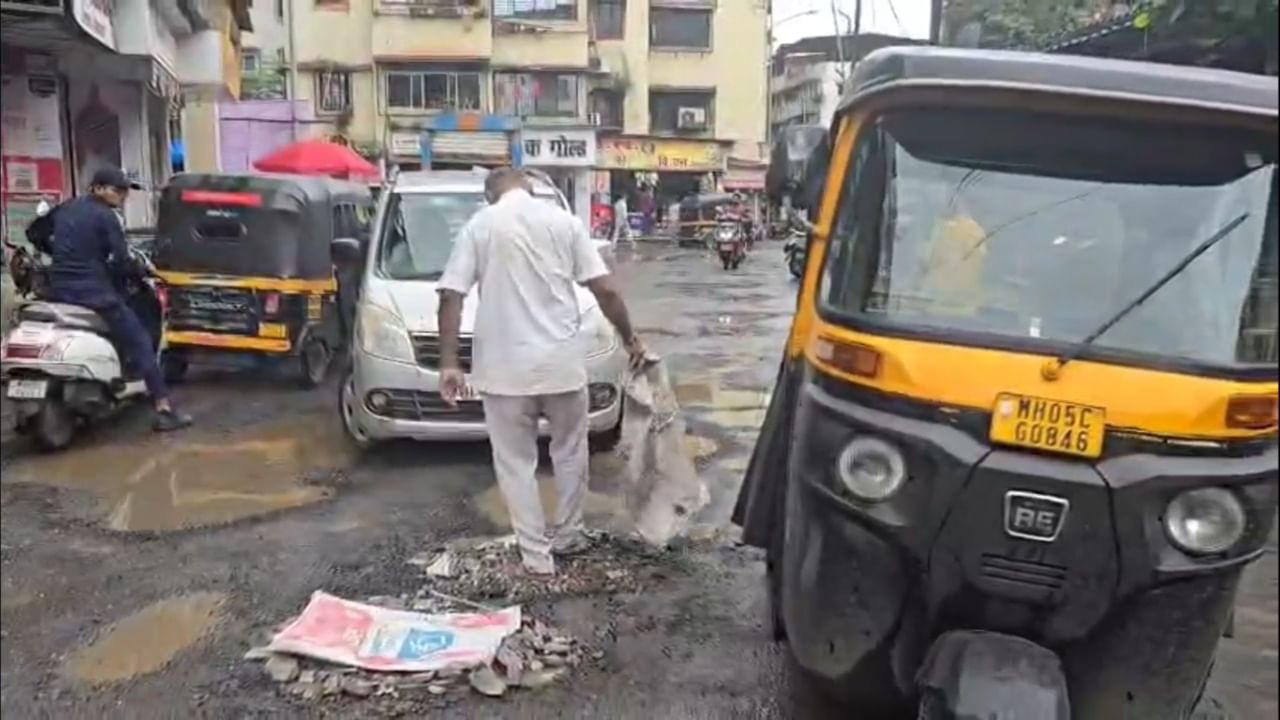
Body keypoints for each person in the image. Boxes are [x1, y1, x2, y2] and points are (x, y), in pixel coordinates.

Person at [436, 168, 647, 575]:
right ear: (530, 189)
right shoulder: (564, 223)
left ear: (489, 196)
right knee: (569, 452)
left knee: (516, 463)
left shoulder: (480, 225)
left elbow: (451, 295)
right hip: (562, 366)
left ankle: (536, 558)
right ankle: (569, 535)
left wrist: (449, 363)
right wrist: (630, 339)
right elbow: (605, 290)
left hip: (503, 372)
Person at [48, 167, 192, 432]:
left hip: (58, 290)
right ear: (98, 188)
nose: (123, 196)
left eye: (125, 191)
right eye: (118, 190)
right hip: (94, 294)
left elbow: (39, 235)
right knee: (140, 341)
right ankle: (164, 408)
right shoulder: (107, 217)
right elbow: (123, 261)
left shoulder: (65, 209)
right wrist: (140, 273)